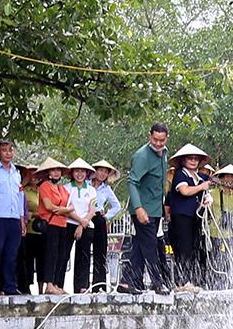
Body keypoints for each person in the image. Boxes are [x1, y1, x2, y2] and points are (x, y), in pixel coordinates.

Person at [120, 123, 169, 294]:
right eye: (155, 139)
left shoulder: (165, 153)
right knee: (151, 246)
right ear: (149, 136)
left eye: (161, 140)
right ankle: (157, 282)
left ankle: (126, 281)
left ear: (166, 138)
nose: (158, 143)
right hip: (142, 209)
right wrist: (139, 208)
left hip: (155, 209)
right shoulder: (142, 156)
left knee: (140, 245)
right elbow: (132, 182)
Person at [167, 144, 211, 290]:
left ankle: (195, 280)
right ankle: (182, 281)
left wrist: (207, 200)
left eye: (195, 159)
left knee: (196, 248)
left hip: (196, 216)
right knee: (183, 248)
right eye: (190, 158)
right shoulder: (180, 174)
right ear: (183, 160)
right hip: (182, 216)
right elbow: (184, 191)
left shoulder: (202, 176)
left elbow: (207, 194)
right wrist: (201, 187)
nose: (193, 161)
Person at [0, 140, 25, 296]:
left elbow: (19, 196)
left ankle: (9, 286)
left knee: (11, 254)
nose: (8, 153)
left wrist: (21, 219)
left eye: (10, 150)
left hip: (14, 218)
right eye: (4, 150)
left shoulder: (16, 173)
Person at [36, 157, 72, 295]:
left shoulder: (62, 188)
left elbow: (69, 205)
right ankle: (49, 284)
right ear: (48, 173)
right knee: (50, 254)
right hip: (50, 224)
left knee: (61, 255)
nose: (56, 173)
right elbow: (49, 206)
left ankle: (56, 283)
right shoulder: (45, 186)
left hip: (62, 224)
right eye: (53, 170)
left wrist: (63, 210)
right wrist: (65, 210)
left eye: (58, 170)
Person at [65, 159, 98, 294]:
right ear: (72, 173)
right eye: (77, 171)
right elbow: (67, 208)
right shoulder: (67, 188)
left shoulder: (91, 190)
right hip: (69, 223)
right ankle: (58, 285)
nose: (80, 174)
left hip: (86, 225)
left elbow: (92, 209)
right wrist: (79, 221)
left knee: (83, 257)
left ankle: (82, 287)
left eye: (82, 171)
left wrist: (83, 223)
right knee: (64, 255)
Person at [90, 160, 122, 292]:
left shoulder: (106, 189)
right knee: (84, 252)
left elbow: (117, 206)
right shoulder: (86, 185)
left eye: (105, 172)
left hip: (99, 218)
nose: (102, 174)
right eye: (100, 170)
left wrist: (107, 216)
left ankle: (99, 285)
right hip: (85, 217)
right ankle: (82, 285)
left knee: (100, 251)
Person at [18, 164, 42, 294]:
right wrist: (32, 215)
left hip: (42, 230)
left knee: (42, 260)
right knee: (27, 259)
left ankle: (41, 289)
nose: (33, 177)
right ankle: (26, 286)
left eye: (35, 174)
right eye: (30, 174)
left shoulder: (42, 190)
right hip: (28, 228)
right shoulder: (24, 191)